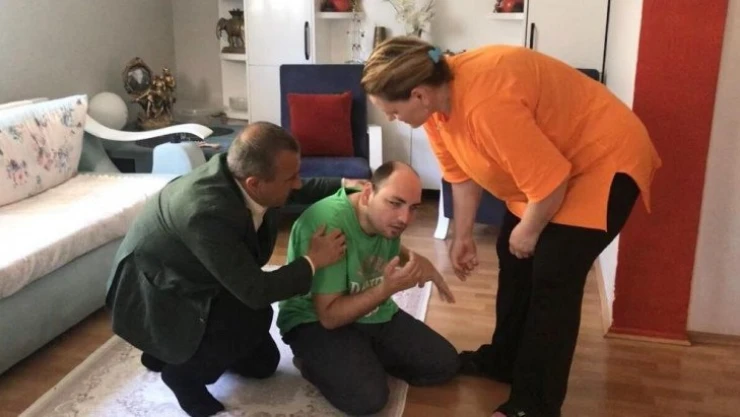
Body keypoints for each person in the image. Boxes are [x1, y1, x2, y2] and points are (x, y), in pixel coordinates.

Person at [361, 37, 662, 417]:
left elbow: (551, 180)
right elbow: (461, 175)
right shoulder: (436, 107)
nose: (392, 118)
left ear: (418, 94)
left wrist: (530, 229)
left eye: (392, 111)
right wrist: (463, 235)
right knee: (513, 254)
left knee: (553, 277)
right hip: (552, 164)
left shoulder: (485, 104)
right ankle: (504, 360)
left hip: (603, 160)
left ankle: (534, 405)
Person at [105, 121, 366, 417]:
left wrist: (345, 184)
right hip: (156, 295)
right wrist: (313, 260)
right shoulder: (205, 213)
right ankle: (181, 375)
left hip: (193, 273)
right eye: (291, 177)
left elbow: (297, 190)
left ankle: (164, 353)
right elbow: (257, 291)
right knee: (256, 314)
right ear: (254, 183)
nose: (297, 183)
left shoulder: (241, 174)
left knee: (264, 365)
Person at [276, 161, 460, 416]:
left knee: (445, 364)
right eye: (395, 203)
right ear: (367, 194)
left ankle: (360, 356)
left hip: (368, 311)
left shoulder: (384, 218)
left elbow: (383, 239)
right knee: (369, 399)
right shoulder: (328, 223)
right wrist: (386, 289)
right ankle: (311, 363)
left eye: (413, 208)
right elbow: (330, 317)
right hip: (314, 319)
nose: (405, 219)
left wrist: (415, 260)